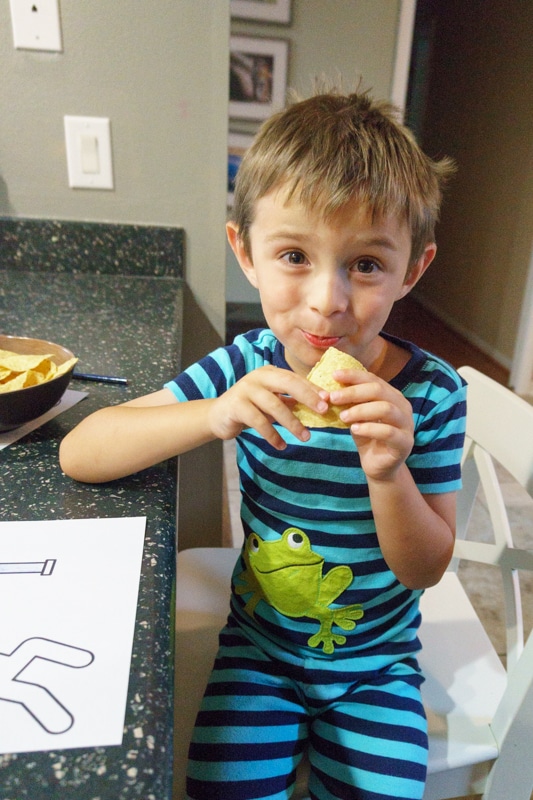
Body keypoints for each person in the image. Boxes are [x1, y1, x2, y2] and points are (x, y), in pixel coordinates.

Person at [60, 88, 467, 800]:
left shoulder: (430, 399)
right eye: (292, 255)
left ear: (414, 268)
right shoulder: (246, 366)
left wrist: (387, 473)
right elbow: (82, 452)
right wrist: (213, 414)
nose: (325, 301)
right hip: (259, 652)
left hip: (377, 664)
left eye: (366, 265)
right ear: (243, 253)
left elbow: (424, 567)